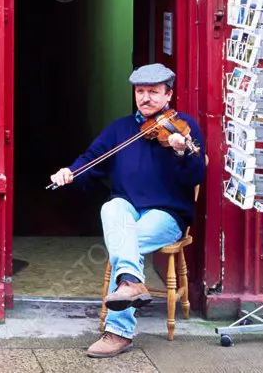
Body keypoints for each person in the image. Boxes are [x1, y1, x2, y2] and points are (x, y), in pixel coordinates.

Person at [49, 63, 206, 359]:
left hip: (166, 214)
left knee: (124, 243)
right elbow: (91, 160)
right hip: (127, 208)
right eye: (140, 91)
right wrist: (70, 172)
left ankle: (118, 331)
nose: (145, 98)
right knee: (112, 208)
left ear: (168, 94)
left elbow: (195, 177)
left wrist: (182, 151)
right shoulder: (120, 129)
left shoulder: (183, 128)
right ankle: (132, 284)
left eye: (153, 92)